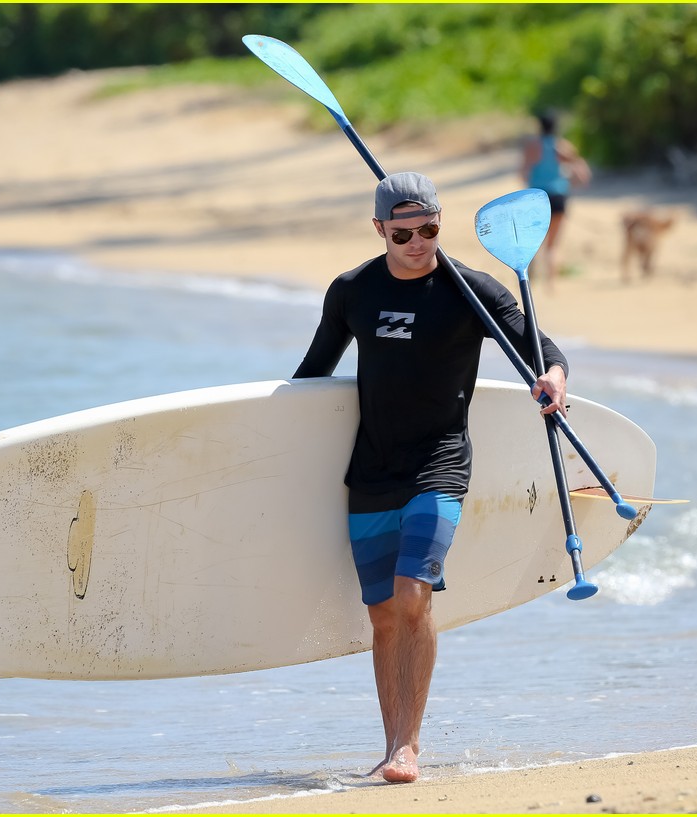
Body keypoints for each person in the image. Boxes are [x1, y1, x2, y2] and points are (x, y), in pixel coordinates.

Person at [292, 172, 569, 783]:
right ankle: (392, 742)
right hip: (371, 468)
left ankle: (407, 749)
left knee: (413, 594)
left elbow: (536, 344)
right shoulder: (352, 291)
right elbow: (312, 376)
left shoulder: (470, 291)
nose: (419, 242)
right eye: (404, 233)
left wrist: (552, 375)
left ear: (441, 222)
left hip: (441, 463)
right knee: (383, 614)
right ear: (380, 230)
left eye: (430, 229)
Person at [520, 109, 592, 292]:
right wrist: (569, 183)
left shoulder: (532, 146)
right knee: (553, 244)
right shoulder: (561, 146)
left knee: (534, 239)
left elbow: (523, 172)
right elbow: (582, 173)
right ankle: (551, 284)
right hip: (558, 195)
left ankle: (530, 279)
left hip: (537, 196)